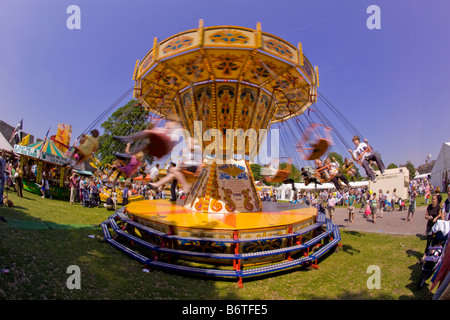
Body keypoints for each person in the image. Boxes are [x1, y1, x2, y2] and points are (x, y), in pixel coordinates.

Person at [114, 121, 180, 159]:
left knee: (147, 133)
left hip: (164, 144)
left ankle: (127, 138)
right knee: (145, 146)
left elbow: (167, 131)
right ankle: (129, 155)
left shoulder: (174, 126)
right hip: (162, 150)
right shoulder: (172, 132)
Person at [422, 195, 445, 261]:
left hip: (435, 226)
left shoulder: (438, 207)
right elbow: (425, 216)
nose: (433, 201)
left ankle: (434, 254)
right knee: (428, 240)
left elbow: (440, 214)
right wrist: (428, 217)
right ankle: (425, 254)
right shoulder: (429, 206)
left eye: (434, 199)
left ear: (437, 200)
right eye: (432, 199)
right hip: (429, 225)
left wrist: (436, 217)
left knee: (435, 240)